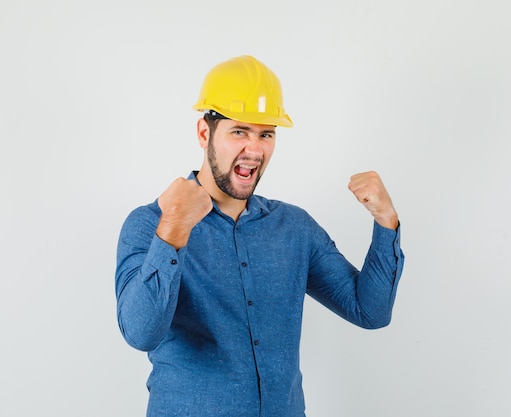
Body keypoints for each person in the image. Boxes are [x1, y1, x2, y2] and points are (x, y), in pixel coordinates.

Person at [115, 55, 405, 417]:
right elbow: (140, 333)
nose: (254, 150)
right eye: (239, 131)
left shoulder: (295, 228)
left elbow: (369, 311)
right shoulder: (149, 224)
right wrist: (173, 230)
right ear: (205, 133)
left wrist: (385, 221)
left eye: (265, 134)